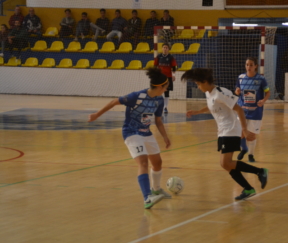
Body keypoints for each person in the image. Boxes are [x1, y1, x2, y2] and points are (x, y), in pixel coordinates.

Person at [88, 67, 172, 209]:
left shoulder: (159, 100)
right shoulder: (136, 96)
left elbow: (158, 121)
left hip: (146, 132)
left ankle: (156, 189)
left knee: (157, 162)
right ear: (159, 86)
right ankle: (147, 198)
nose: (166, 90)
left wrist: (165, 137)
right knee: (143, 163)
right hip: (132, 132)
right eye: (165, 87)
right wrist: (97, 114)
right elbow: (114, 101)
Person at [182, 68, 269, 200]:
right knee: (225, 164)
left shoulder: (221, 93)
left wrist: (244, 129)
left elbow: (238, 109)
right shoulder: (209, 93)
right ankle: (249, 188)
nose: (198, 87)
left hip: (231, 130)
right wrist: (197, 111)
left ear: (205, 81)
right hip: (222, 131)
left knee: (225, 163)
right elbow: (214, 106)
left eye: (198, 84)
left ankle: (259, 172)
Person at [235, 57, 270, 163]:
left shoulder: (261, 79)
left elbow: (268, 92)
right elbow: (237, 91)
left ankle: (251, 154)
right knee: (240, 132)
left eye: (251, 65)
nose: (248, 67)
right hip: (242, 110)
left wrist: (263, 100)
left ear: (255, 66)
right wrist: (237, 91)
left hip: (255, 111)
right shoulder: (240, 77)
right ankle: (243, 149)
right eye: (247, 64)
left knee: (251, 135)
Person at [154, 43, 177, 113]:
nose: (165, 49)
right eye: (164, 47)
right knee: (158, 91)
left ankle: (165, 107)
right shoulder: (159, 56)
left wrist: (173, 75)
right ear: (162, 48)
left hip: (168, 77)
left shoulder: (171, 57)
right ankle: (157, 106)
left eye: (166, 48)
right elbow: (155, 66)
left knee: (167, 93)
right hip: (160, 77)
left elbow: (174, 67)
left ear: (168, 49)